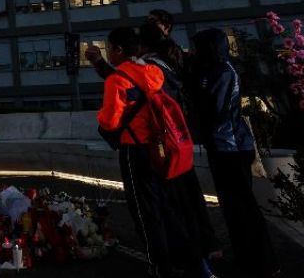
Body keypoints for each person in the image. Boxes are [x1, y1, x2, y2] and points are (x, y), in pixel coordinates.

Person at [92, 27, 215, 278]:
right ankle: (194, 262)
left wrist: (101, 114)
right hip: (161, 149)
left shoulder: (118, 80)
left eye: (109, 47)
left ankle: (161, 266)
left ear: (117, 50)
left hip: (135, 149)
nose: (108, 52)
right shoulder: (153, 72)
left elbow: (109, 122)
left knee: (145, 212)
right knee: (169, 208)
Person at [190, 28, 280, 278]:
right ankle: (249, 258)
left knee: (242, 206)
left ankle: (262, 262)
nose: (195, 53)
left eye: (198, 48)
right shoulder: (215, 70)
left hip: (229, 146)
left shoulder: (221, 72)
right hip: (226, 145)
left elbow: (214, 110)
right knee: (234, 207)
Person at [139, 17, 222, 262]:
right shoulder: (174, 61)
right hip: (182, 136)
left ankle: (188, 251)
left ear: (143, 43)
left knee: (172, 197)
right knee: (191, 192)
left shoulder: (148, 67)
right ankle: (209, 243)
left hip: (164, 140)